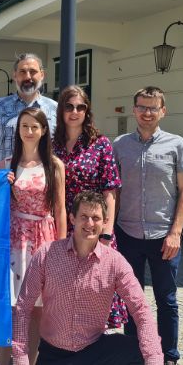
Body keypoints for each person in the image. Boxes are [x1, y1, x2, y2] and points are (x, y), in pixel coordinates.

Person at [13, 191, 163, 365]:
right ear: (72, 218)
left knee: (140, 351)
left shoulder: (115, 262)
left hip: (93, 350)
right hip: (53, 354)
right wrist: (20, 357)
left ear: (105, 222)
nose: (90, 223)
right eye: (84, 216)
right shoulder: (46, 255)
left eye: (96, 218)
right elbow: (23, 307)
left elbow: (141, 310)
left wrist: (154, 360)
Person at [113, 86, 183, 365]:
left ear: (163, 111)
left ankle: (169, 356)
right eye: (142, 107)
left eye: (153, 107)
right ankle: (134, 353)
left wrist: (176, 233)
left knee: (166, 301)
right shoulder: (120, 145)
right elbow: (115, 191)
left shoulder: (177, 144)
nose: (147, 113)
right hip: (128, 234)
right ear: (134, 109)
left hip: (164, 236)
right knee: (131, 300)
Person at [51, 85, 127, 329]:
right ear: (61, 110)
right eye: (69, 106)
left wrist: (106, 232)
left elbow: (110, 191)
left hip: (94, 227)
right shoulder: (52, 145)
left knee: (94, 291)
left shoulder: (100, 144)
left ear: (87, 111)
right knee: (65, 292)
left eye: (80, 107)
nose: (75, 112)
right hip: (62, 227)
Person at [0, 107, 65, 365]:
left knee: (36, 309)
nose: (29, 131)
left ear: (44, 130)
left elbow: (60, 209)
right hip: (13, 242)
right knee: (11, 308)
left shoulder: (55, 165)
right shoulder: (6, 165)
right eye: (24, 126)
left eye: (34, 127)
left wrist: (61, 248)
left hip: (42, 240)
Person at [0, 53, 57, 164]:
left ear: (42, 75)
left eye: (33, 72)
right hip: (5, 178)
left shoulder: (55, 109)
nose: (28, 77)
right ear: (15, 75)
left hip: (42, 178)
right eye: (22, 72)